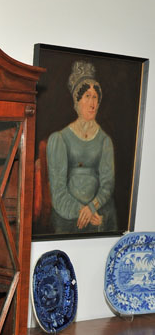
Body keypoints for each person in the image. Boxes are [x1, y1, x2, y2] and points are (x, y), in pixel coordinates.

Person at [46, 60, 117, 234]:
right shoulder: (60, 139)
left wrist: (92, 208)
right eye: (87, 97)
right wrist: (82, 212)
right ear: (77, 101)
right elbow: (58, 190)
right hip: (67, 214)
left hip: (100, 210)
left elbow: (107, 184)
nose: (93, 103)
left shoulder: (105, 141)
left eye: (95, 98)